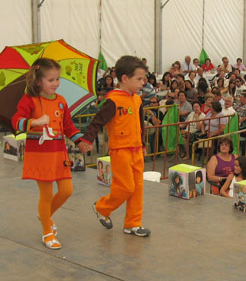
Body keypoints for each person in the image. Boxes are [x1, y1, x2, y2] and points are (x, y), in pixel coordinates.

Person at [11, 58, 89, 249]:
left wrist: (80, 141)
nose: (56, 83)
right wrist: (34, 122)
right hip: (40, 155)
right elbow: (16, 121)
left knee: (67, 191)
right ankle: (47, 231)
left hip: (59, 154)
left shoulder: (61, 101)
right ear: (39, 81)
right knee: (46, 195)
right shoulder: (29, 100)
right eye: (51, 80)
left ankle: (45, 215)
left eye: (57, 79)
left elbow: (68, 126)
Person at [82, 55, 150, 237]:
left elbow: (140, 123)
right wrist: (87, 140)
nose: (143, 82)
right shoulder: (113, 101)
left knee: (137, 188)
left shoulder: (137, 100)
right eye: (139, 79)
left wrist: (143, 143)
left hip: (136, 150)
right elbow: (97, 121)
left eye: (143, 78)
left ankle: (133, 223)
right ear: (125, 78)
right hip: (120, 150)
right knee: (126, 187)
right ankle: (102, 207)